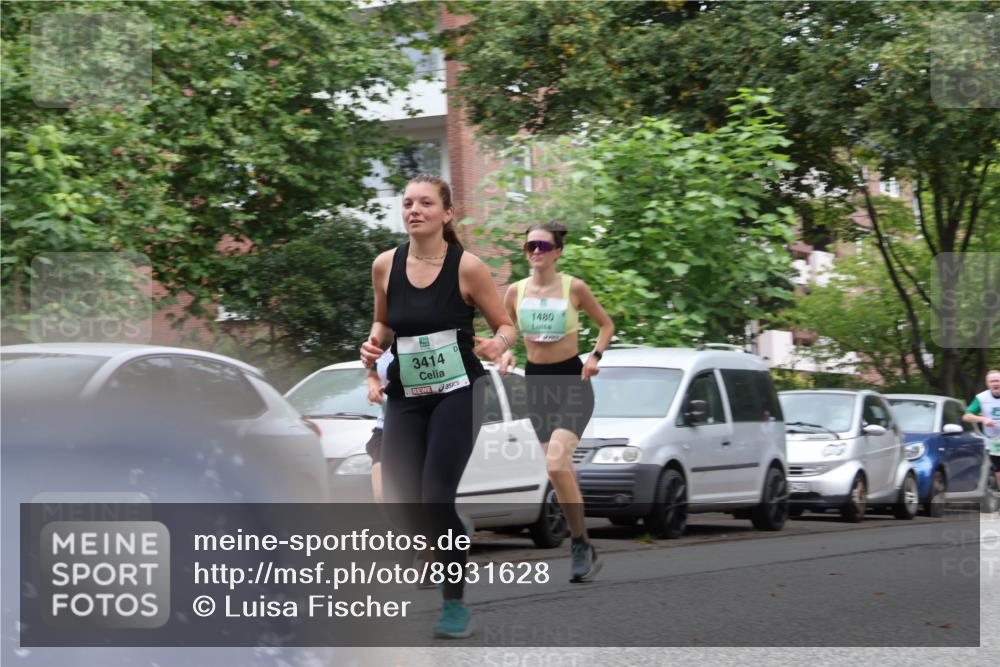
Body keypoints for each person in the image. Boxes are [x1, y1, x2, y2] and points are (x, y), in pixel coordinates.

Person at [359, 174, 516, 639]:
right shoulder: (385, 265)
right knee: (400, 497)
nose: (415, 210)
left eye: (426, 203)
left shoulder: (467, 267)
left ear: (446, 213)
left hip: (458, 391)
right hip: (407, 393)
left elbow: (506, 325)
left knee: (435, 497)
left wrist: (500, 344)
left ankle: (453, 606)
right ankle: (453, 527)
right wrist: (373, 345)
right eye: (408, 203)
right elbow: (384, 323)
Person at [501, 222, 614, 582]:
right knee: (561, 470)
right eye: (530, 246)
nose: (536, 251)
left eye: (543, 246)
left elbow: (606, 325)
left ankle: (578, 544)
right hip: (537, 384)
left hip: (572, 381)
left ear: (557, 252)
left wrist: (595, 356)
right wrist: (505, 352)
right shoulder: (515, 291)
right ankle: (584, 542)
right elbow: (506, 330)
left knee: (555, 465)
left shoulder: (574, 287)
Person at [963, 369, 1000, 504]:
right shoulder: (982, 398)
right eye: (992, 381)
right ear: (987, 383)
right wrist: (982, 419)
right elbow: (966, 416)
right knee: (998, 471)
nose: (995, 383)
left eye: (998, 380)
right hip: (994, 441)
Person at [365, 350, 393, 503]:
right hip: (385, 430)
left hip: (420, 428)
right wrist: (373, 389)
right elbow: (372, 375)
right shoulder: (381, 343)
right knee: (381, 495)